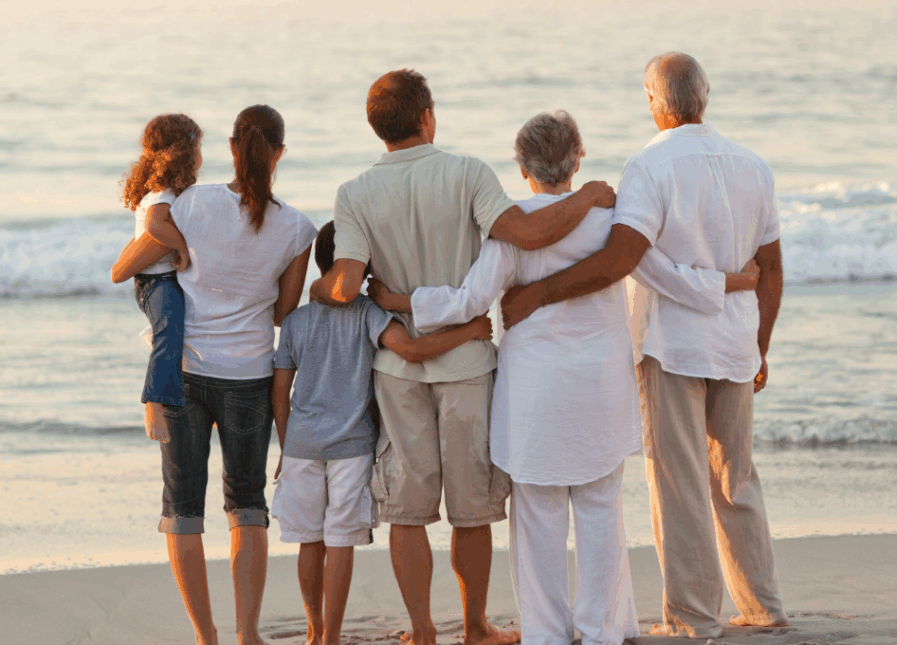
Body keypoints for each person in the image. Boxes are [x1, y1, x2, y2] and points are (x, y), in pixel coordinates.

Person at [369, 110, 758, 645]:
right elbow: (664, 276)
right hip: (599, 385)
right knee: (601, 512)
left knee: (537, 519)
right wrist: (731, 283)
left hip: (535, 393)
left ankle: (548, 633)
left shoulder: (511, 231)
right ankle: (602, 629)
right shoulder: (609, 222)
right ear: (578, 159)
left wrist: (400, 300)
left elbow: (468, 301)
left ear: (522, 166)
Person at [309, 69, 616, 645]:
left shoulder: (353, 193)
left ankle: (423, 631)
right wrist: (594, 196)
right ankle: (474, 626)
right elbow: (523, 233)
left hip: (397, 370)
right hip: (469, 364)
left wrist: (319, 292)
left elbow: (348, 284)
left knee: (407, 504)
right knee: (471, 506)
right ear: (428, 117)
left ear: (377, 128)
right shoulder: (467, 172)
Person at [500, 53, 787, 639]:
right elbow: (773, 268)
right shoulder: (753, 165)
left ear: (657, 103)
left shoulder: (648, 166)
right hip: (735, 342)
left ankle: (693, 618)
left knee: (679, 481)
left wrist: (540, 294)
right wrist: (761, 344)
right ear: (703, 97)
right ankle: (762, 606)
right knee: (736, 479)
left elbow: (622, 258)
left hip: (673, 344)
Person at [271, 221, 494, 645]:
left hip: (301, 445)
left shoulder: (296, 322)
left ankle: (314, 633)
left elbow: (280, 391)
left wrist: (285, 445)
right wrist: (470, 331)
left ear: (320, 262)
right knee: (339, 541)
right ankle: (333, 637)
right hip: (351, 447)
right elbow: (409, 351)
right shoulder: (369, 314)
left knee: (309, 541)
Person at [150, 104, 319, 645]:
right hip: (249, 374)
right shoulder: (296, 227)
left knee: (183, 509)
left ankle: (207, 637)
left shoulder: (191, 202)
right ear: (279, 154)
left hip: (185, 371)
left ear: (229, 147)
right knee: (246, 504)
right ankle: (248, 635)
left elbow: (156, 251)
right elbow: (282, 314)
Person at [110, 113, 201, 442]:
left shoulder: (170, 192)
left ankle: (196, 399)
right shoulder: (161, 194)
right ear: (184, 154)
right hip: (155, 281)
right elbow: (155, 228)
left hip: (165, 279)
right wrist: (184, 248)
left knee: (187, 333)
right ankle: (154, 404)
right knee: (171, 330)